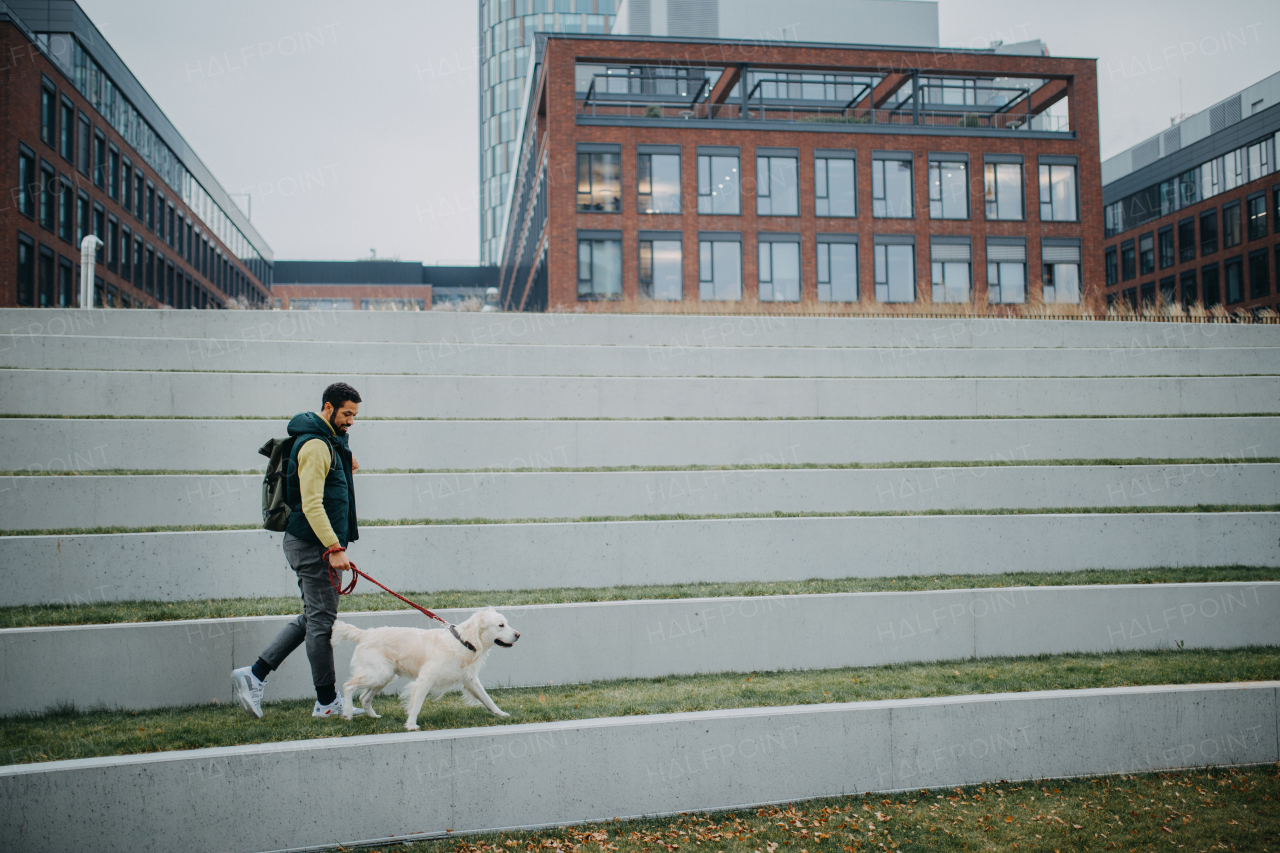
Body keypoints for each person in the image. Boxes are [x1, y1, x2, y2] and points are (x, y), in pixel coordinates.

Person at [232, 382, 363, 719]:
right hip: (313, 546)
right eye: (347, 414)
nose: (351, 421)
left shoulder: (328, 442)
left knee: (313, 617)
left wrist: (344, 460)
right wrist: (334, 547)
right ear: (329, 408)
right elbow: (312, 503)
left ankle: (255, 674)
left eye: (355, 416)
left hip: (310, 544)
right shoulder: (317, 445)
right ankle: (326, 702)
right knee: (322, 623)